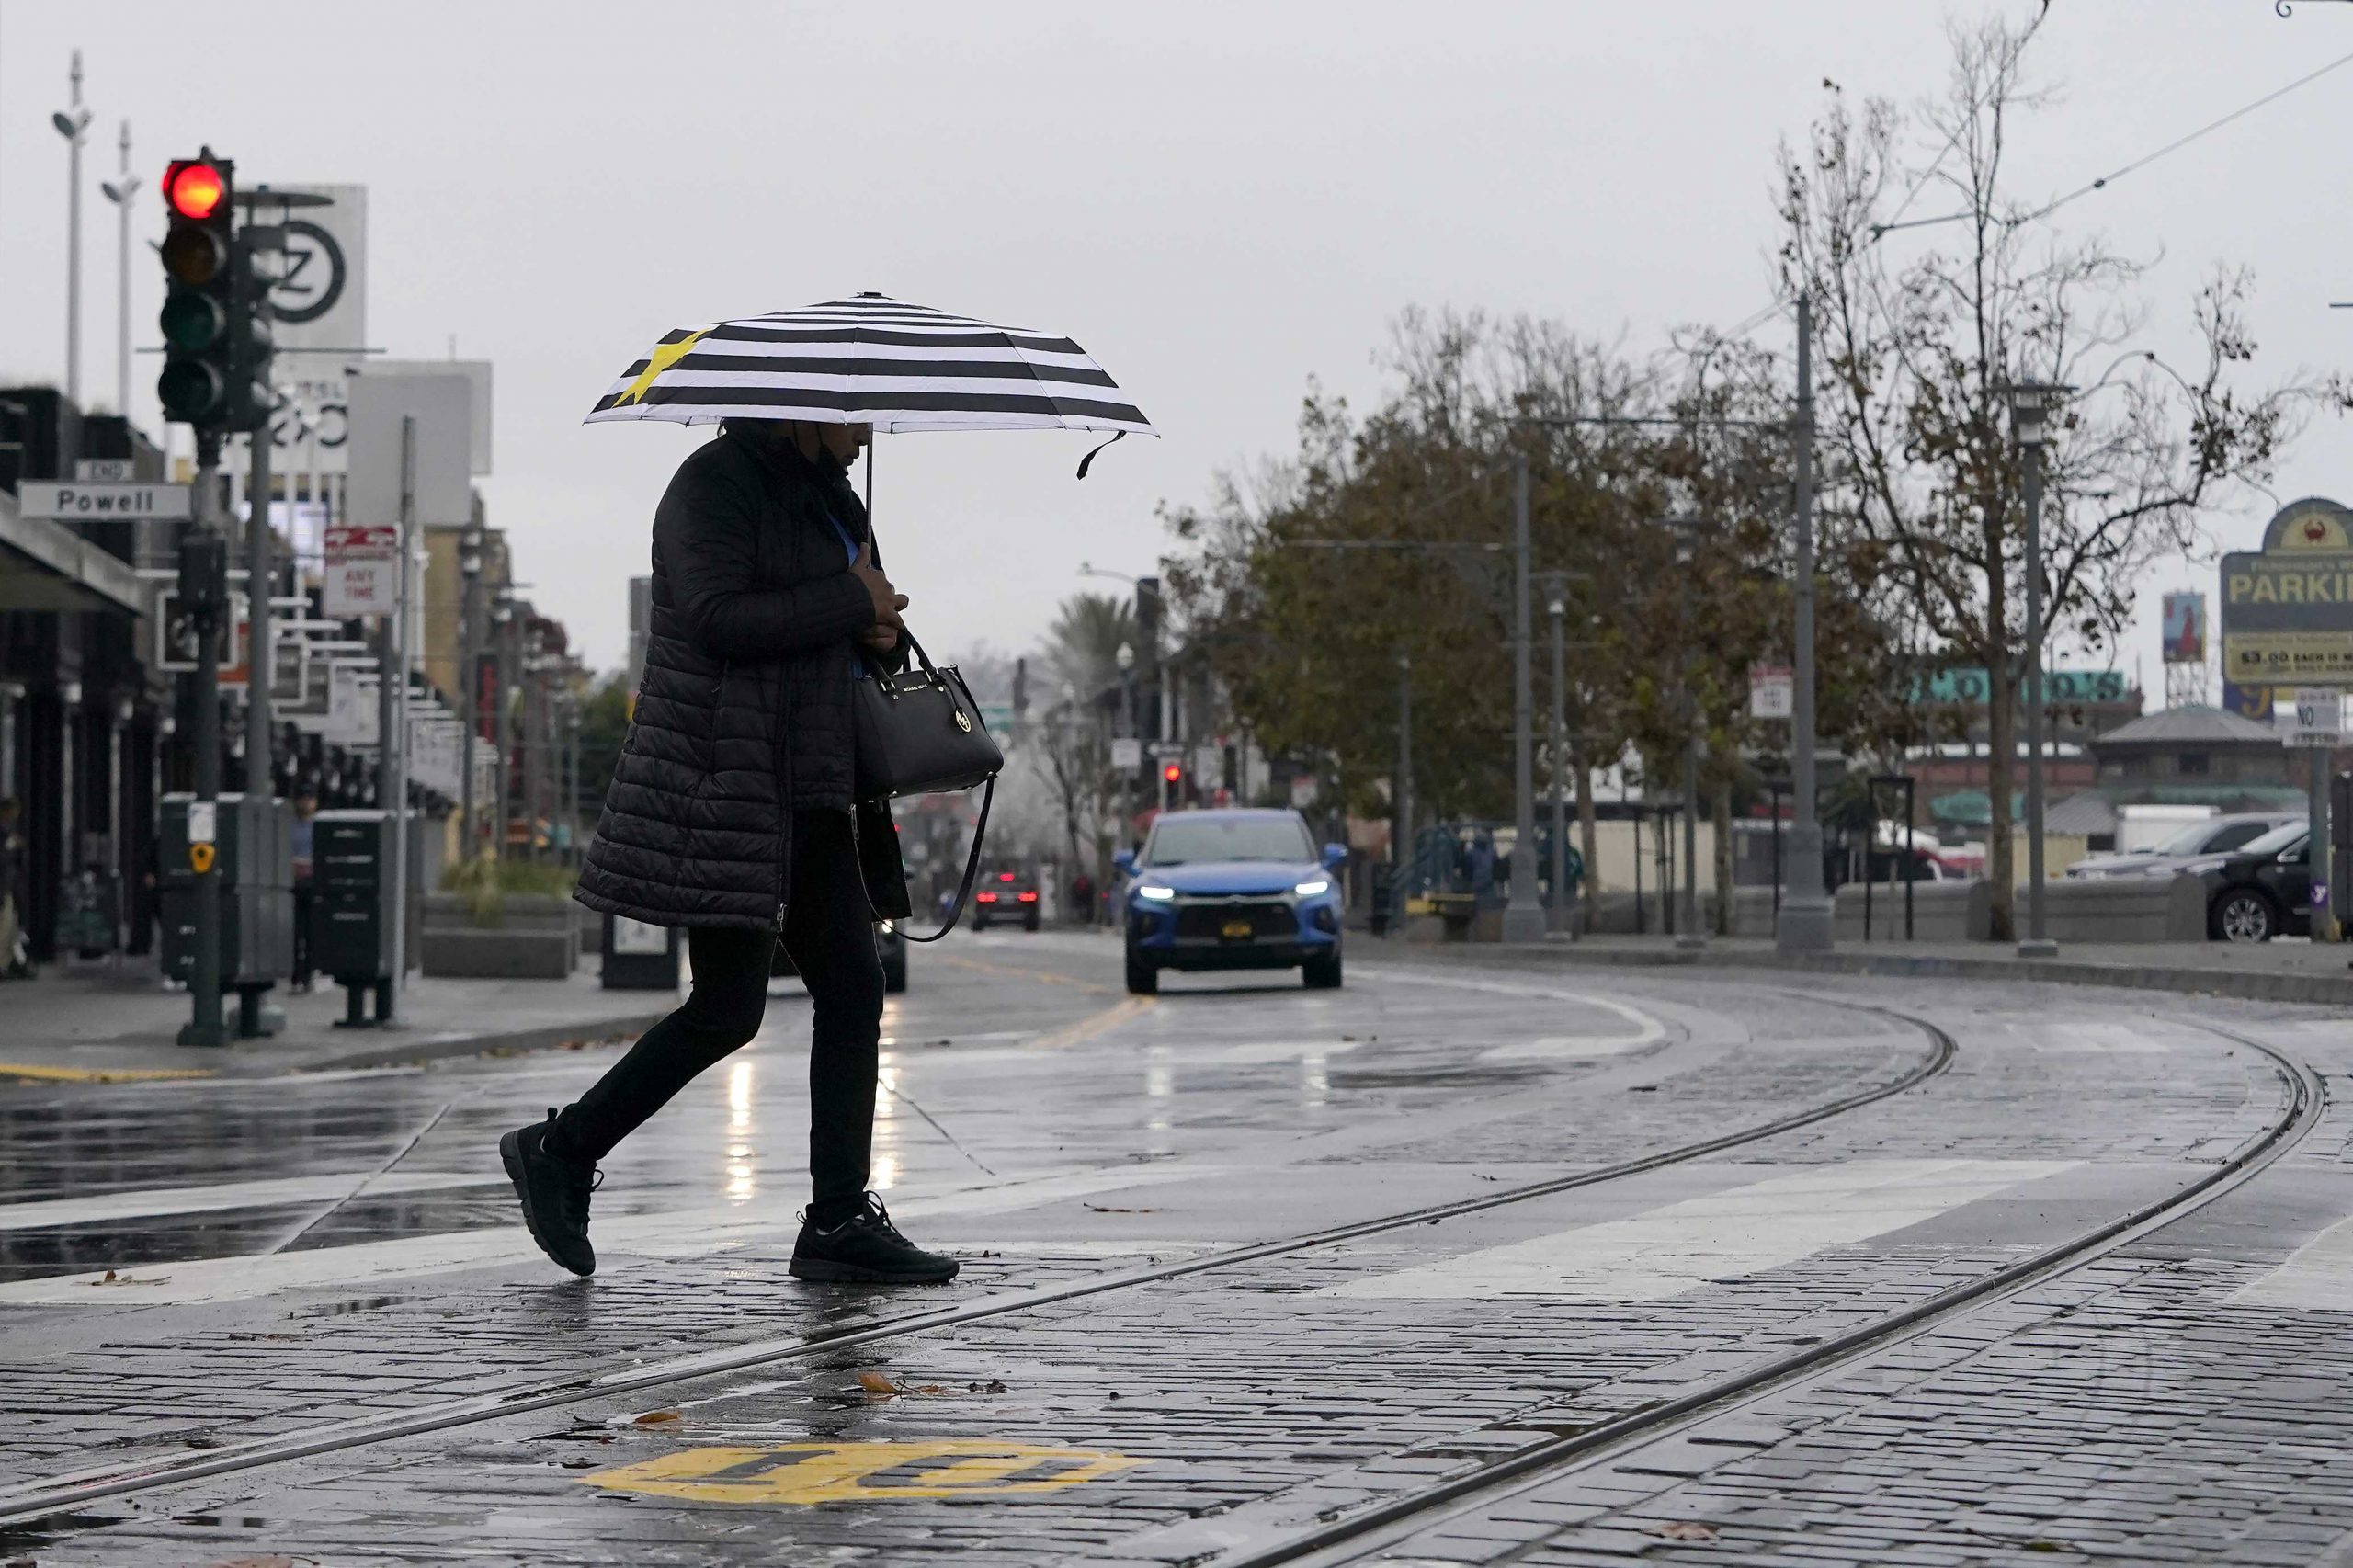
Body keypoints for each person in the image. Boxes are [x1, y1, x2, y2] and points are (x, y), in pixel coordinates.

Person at [502, 416, 957, 1286]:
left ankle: (836, 1221)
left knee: (856, 988)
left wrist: (879, 630)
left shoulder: (833, 500)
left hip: (814, 783)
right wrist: (846, 603)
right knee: (727, 1008)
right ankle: (558, 1150)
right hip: (728, 782)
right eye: (851, 414)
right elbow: (714, 619)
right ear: (801, 409)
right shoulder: (711, 484)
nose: (865, 432)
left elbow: (841, 619)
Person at [289, 791, 318, 994]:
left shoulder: (317, 827)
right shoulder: (290, 827)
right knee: (294, 932)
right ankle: (296, 974)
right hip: (293, 883)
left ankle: (306, 974)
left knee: (310, 932)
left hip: (312, 883)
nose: (306, 803)